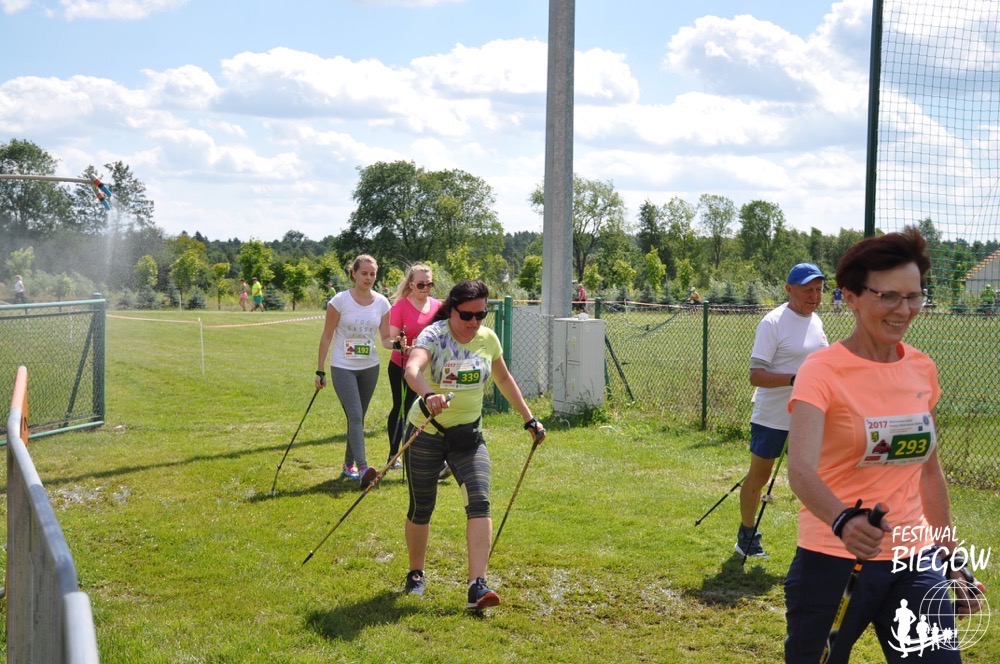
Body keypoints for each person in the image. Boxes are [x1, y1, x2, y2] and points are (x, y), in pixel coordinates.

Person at [785, 227, 981, 663]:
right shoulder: (822, 371)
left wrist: (951, 558)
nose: (903, 310)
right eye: (888, 296)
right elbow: (800, 470)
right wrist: (843, 521)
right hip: (833, 558)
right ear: (851, 297)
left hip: (915, 559)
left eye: (913, 296)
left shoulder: (921, 369)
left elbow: (929, 472)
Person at [400, 280, 545, 610]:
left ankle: (477, 586)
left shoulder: (488, 339)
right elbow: (412, 369)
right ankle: (416, 574)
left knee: (479, 500)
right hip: (426, 432)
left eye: (481, 315)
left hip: (468, 437)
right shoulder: (434, 335)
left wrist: (529, 419)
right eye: (467, 315)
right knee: (422, 507)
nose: (474, 322)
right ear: (452, 309)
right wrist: (429, 394)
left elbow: (503, 379)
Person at [736, 262, 827, 559]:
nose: (814, 296)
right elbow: (755, 375)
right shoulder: (772, 323)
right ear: (789, 289)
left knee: (812, 479)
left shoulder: (816, 321)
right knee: (759, 477)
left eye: (819, 290)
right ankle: (746, 536)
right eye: (807, 290)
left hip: (807, 416)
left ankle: (816, 545)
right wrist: (794, 379)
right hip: (772, 417)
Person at [315, 254, 391, 488]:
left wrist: (400, 344)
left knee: (356, 418)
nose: (369, 277)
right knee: (356, 415)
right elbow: (326, 336)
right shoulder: (340, 301)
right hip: (343, 367)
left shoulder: (382, 303)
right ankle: (364, 468)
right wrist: (320, 371)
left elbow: (385, 339)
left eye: (372, 274)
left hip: (370, 367)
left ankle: (348, 465)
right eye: (364, 273)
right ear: (354, 274)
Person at [382, 263, 442, 469]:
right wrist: (402, 345)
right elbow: (391, 339)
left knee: (429, 408)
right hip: (402, 366)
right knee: (402, 408)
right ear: (411, 284)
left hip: (429, 369)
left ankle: (436, 456)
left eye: (430, 284)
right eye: (421, 284)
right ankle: (394, 456)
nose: (426, 288)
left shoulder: (438, 306)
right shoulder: (400, 306)